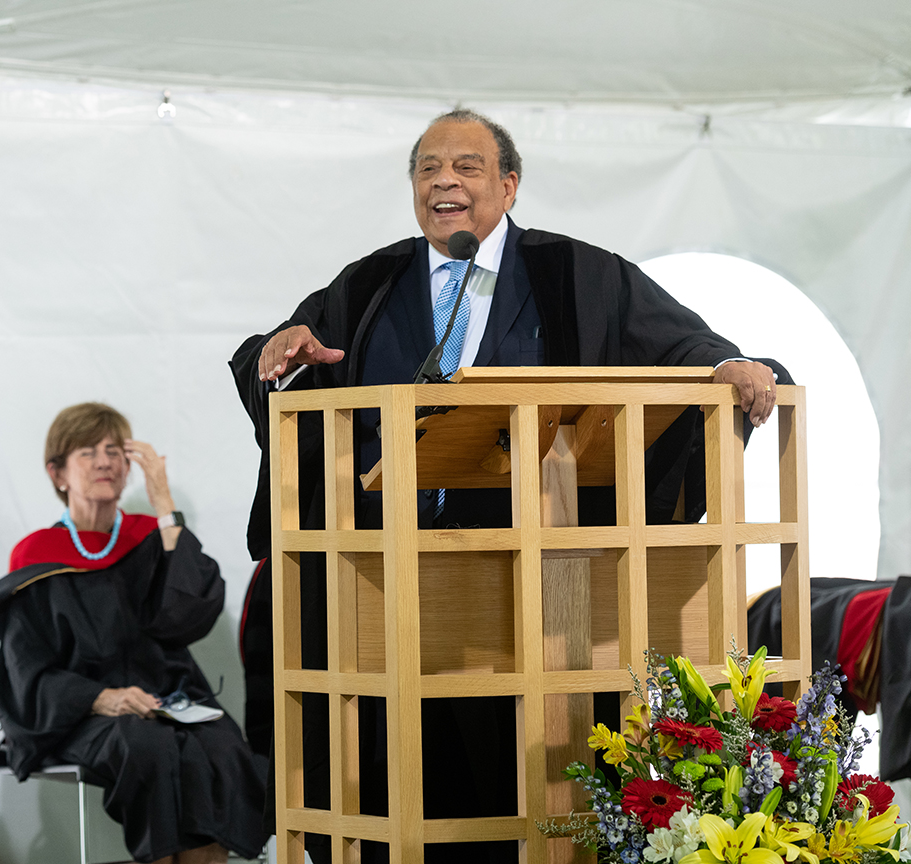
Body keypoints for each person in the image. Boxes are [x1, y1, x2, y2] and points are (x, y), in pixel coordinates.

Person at [229, 110, 791, 862]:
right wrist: (280, 351)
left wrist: (730, 368)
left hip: (535, 583)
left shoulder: (577, 276)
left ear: (509, 184)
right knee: (398, 770)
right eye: (428, 169)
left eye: (465, 166)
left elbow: (686, 344)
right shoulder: (370, 282)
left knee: (517, 777)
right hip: (387, 581)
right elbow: (290, 359)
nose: (444, 182)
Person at [0, 402, 267, 864]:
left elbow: (189, 616)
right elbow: (26, 666)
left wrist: (165, 505)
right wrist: (99, 697)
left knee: (223, 747)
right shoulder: (36, 555)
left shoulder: (150, 538)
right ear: (58, 473)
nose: (105, 461)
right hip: (77, 713)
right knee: (145, 746)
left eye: (115, 450)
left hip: (164, 699)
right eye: (88, 451)